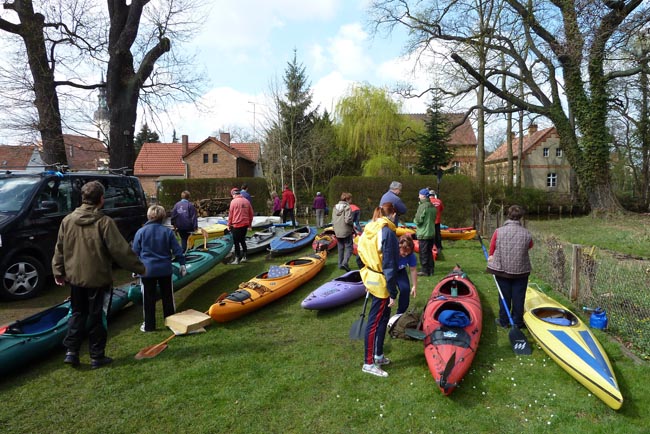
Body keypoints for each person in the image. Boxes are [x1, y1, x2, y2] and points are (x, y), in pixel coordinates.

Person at [52, 181, 145, 369]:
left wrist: (58, 271)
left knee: (77, 314)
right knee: (97, 316)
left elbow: (59, 248)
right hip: (98, 278)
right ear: (101, 199)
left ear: (83, 198)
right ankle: (96, 356)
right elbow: (120, 250)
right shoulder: (104, 222)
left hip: (76, 277)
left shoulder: (68, 220)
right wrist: (141, 268)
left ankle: (72, 351)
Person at [357, 202, 399, 378]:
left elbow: (359, 251)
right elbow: (389, 264)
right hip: (381, 282)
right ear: (394, 215)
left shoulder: (370, 227)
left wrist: (366, 272)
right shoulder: (387, 232)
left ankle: (378, 355)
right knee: (374, 322)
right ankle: (368, 363)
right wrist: (393, 292)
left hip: (371, 276)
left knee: (383, 319)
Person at [132, 205, 186, 332]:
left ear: (149, 216)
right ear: (162, 217)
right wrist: (182, 264)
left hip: (147, 271)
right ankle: (171, 323)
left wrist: (135, 268)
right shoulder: (167, 232)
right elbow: (177, 250)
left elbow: (135, 252)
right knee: (168, 298)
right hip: (165, 270)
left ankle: (149, 326)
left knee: (148, 299)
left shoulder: (140, 232)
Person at [487, 205, 533, 329]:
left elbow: (492, 246)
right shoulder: (526, 233)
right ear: (520, 217)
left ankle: (504, 321)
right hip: (521, 270)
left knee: (504, 295)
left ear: (508, 215)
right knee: (519, 296)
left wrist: (491, 256)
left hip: (502, 269)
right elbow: (529, 246)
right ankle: (517, 322)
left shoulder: (499, 231)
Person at [414, 188, 437, 277]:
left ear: (423, 196)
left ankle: (424, 270)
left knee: (423, 252)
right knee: (429, 252)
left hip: (424, 233)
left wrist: (414, 221)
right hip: (431, 232)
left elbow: (418, 220)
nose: (418, 196)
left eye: (419, 195)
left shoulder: (422, 206)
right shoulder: (432, 206)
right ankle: (431, 269)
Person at [228, 187, 254, 264]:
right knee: (242, 240)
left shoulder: (233, 202)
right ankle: (245, 256)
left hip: (236, 225)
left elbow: (230, 215)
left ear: (233, 194)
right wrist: (250, 225)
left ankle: (237, 258)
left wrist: (229, 225)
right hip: (245, 224)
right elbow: (251, 214)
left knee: (236, 242)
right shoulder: (246, 201)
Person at [396, 234, 418, 315]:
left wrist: (414, 286)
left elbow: (413, 270)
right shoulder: (392, 253)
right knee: (387, 292)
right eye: (404, 252)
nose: (406, 254)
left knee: (405, 289)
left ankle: (400, 312)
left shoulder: (411, 255)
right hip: (388, 272)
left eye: (408, 253)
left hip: (400, 271)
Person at [332, 192, 354, 272]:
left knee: (340, 247)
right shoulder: (347, 207)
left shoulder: (335, 207)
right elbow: (348, 220)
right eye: (350, 198)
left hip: (337, 230)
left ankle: (340, 264)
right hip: (346, 230)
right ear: (347, 199)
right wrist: (352, 223)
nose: (351, 200)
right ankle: (345, 262)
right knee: (349, 248)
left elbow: (333, 220)